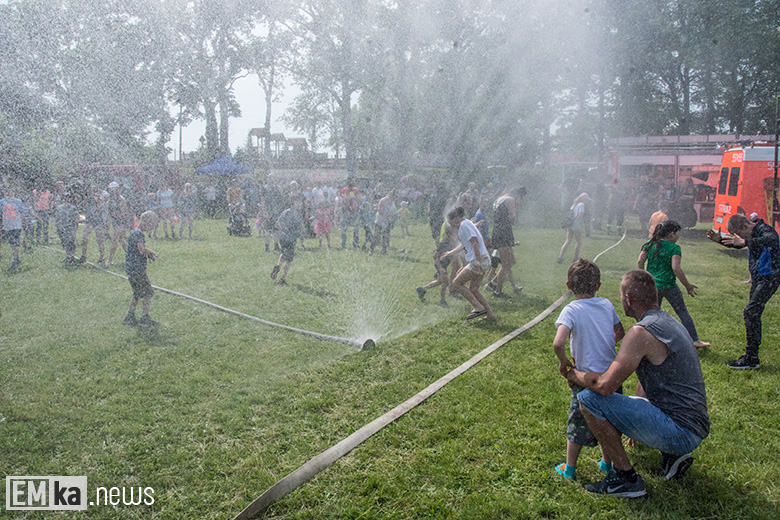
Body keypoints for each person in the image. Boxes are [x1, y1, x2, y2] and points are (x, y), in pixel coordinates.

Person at [564, 269, 710, 498]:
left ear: (628, 299)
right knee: (614, 400)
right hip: (695, 425)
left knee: (588, 399)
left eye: (622, 296)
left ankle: (626, 478)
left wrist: (573, 375)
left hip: (681, 431)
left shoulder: (640, 332)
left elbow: (604, 386)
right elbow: (648, 378)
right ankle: (672, 456)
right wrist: (637, 423)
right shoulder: (667, 321)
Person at [553, 259, 625, 481]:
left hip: (585, 380)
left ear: (568, 285)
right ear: (598, 286)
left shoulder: (571, 309)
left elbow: (558, 343)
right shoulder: (606, 304)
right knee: (609, 423)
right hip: (612, 377)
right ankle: (607, 464)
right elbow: (620, 332)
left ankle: (570, 469)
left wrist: (564, 361)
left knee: (577, 424)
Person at [707, 213, 780, 369]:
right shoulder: (752, 234)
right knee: (752, 314)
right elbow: (739, 244)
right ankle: (752, 356)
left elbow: (773, 240)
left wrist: (746, 241)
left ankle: (751, 358)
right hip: (759, 278)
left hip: (770, 277)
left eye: (740, 234)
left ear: (745, 226)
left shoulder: (764, 229)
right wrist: (719, 240)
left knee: (751, 312)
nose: (741, 238)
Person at [638, 220, 709, 349]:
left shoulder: (649, 244)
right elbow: (676, 268)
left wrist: (644, 278)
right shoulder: (674, 248)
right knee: (682, 312)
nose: (679, 236)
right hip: (669, 286)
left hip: (653, 287)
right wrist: (687, 285)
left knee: (651, 315)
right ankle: (694, 340)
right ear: (671, 234)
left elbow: (640, 261)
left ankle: (648, 341)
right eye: (678, 233)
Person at [440, 206, 496, 321]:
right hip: (483, 260)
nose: (452, 226)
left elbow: (474, 241)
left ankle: (478, 307)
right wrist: (451, 252)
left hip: (478, 261)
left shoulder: (464, 225)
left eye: (451, 223)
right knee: (474, 289)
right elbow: (465, 244)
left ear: (456, 219)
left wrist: (478, 260)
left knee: (456, 283)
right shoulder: (466, 224)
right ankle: (490, 315)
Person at [486, 187, 526, 298]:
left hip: (499, 231)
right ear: (518, 196)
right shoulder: (511, 200)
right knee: (506, 263)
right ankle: (497, 292)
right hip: (503, 232)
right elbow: (512, 218)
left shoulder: (499, 199)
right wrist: (516, 207)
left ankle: (493, 283)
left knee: (511, 261)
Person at [123, 211, 159, 327]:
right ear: (147, 222)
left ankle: (130, 316)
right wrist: (152, 252)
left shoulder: (135, 231)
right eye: (152, 224)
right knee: (148, 292)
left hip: (131, 268)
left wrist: (148, 255)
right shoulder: (139, 233)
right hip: (137, 269)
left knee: (137, 293)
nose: (153, 227)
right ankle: (145, 318)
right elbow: (141, 249)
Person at [416, 222, 458, 307]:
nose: (455, 234)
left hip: (444, 264)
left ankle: (422, 289)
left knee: (440, 281)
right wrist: (440, 268)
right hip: (440, 264)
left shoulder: (453, 242)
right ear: (449, 234)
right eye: (453, 233)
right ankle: (442, 301)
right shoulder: (444, 242)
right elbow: (435, 255)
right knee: (445, 281)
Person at [270, 197, 304, 286]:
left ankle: (277, 266)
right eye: (299, 202)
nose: (301, 204)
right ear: (294, 203)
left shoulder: (285, 212)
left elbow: (277, 224)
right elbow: (301, 228)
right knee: (288, 260)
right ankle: (282, 279)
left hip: (282, 237)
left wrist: (283, 231)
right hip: (291, 238)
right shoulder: (297, 213)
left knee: (283, 253)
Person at [557, 193, 591, 265]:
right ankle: (575, 259)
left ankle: (560, 258)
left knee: (568, 240)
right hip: (576, 223)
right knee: (579, 241)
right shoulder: (582, 205)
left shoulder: (575, 204)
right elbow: (580, 216)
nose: (587, 201)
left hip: (570, 223)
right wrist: (581, 226)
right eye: (587, 199)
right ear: (583, 199)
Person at [79, 186, 107, 264]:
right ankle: (83, 256)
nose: (92, 194)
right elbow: (83, 208)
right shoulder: (87, 200)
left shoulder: (99, 200)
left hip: (98, 221)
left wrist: (98, 201)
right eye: (91, 192)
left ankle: (102, 257)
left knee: (100, 239)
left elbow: (101, 210)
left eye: (94, 192)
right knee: (84, 238)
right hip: (89, 221)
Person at [0, 185, 25, 270]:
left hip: (17, 225)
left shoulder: (18, 201)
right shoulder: (2, 202)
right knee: (12, 243)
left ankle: (15, 259)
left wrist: (25, 224)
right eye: (8, 191)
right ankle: (16, 258)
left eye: (11, 191)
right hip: (7, 226)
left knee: (15, 243)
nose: (9, 193)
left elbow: (22, 213)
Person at [106, 182, 130, 265]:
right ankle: (130, 257)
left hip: (121, 221)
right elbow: (109, 211)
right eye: (110, 189)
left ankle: (110, 260)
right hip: (115, 221)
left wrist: (127, 224)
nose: (111, 191)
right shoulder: (110, 199)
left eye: (113, 189)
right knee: (121, 240)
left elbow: (125, 211)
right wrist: (107, 220)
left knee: (114, 239)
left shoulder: (121, 199)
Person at [54, 194, 79, 265]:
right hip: (62, 228)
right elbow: (57, 218)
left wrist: (75, 229)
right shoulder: (59, 208)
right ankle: (68, 256)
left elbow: (76, 218)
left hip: (70, 227)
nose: (66, 199)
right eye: (65, 198)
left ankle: (72, 257)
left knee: (71, 243)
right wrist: (57, 227)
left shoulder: (73, 208)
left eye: (68, 198)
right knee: (64, 242)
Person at [371, 189, 397, 255]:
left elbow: (394, 212)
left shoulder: (393, 202)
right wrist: (388, 215)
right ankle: (371, 250)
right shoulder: (383, 200)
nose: (393, 199)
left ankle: (384, 251)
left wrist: (394, 216)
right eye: (393, 197)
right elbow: (380, 211)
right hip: (380, 221)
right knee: (376, 236)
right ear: (390, 195)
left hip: (387, 222)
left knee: (386, 237)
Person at [340, 178, 361, 249]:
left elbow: (359, 198)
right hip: (346, 209)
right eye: (350, 181)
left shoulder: (356, 189)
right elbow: (344, 198)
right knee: (344, 227)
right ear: (347, 182)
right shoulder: (344, 189)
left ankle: (355, 243)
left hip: (355, 210)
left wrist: (351, 197)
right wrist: (353, 197)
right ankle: (343, 244)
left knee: (356, 228)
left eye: (353, 181)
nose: (352, 182)